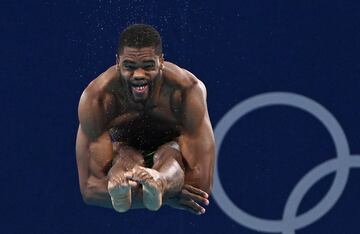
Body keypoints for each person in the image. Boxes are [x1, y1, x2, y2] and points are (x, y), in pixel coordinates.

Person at [75, 24, 215, 215]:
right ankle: (138, 184)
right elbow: (90, 188)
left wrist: (142, 196)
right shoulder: (97, 98)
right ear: (118, 63)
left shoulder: (186, 92)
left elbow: (201, 186)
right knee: (124, 154)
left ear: (161, 61)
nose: (139, 75)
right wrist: (166, 197)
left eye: (148, 66)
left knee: (170, 151)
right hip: (123, 156)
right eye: (129, 67)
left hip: (170, 160)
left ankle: (157, 180)